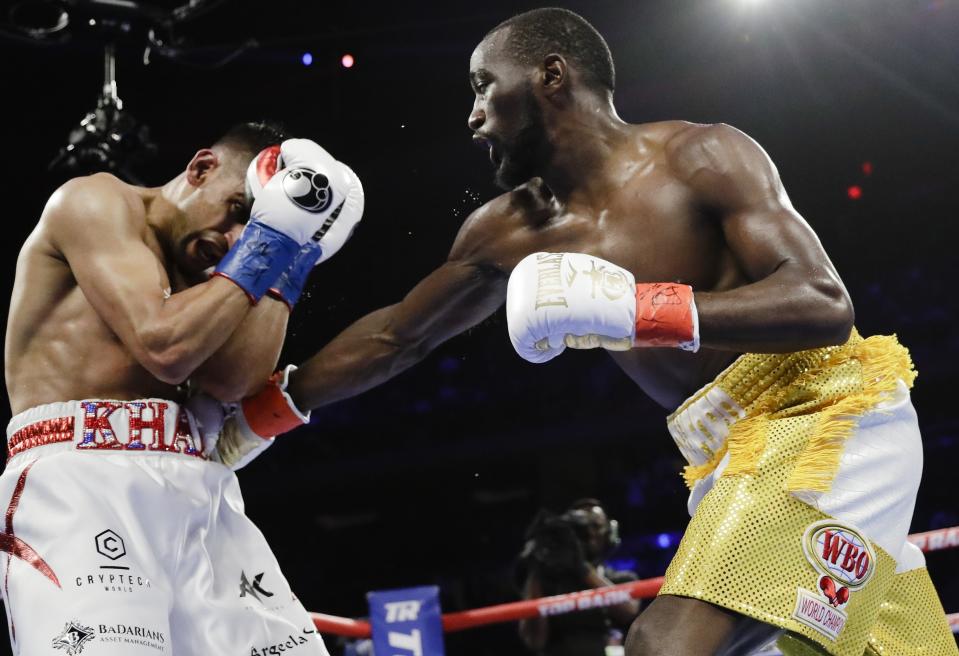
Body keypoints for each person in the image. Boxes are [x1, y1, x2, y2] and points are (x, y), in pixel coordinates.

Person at [224, 8, 957, 656]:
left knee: (665, 644)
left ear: (550, 74)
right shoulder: (506, 230)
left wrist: (632, 309)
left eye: (483, 85)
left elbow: (822, 302)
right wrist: (256, 417)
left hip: (827, 419)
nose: (472, 117)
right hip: (728, 455)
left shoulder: (699, 154)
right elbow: (397, 337)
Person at [0, 123, 363, 655]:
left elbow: (232, 380)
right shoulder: (97, 202)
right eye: (241, 210)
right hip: (81, 484)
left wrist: (290, 258)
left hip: (199, 489)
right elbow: (163, 346)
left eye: (257, 226)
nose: (238, 239)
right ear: (200, 169)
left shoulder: (222, 279)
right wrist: (268, 240)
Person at [518, 499, 639, 656]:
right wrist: (537, 561)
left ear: (609, 532)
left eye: (595, 526)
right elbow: (533, 640)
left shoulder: (622, 579)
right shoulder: (549, 584)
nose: (589, 533)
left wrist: (580, 566)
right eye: (580, 528)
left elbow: (627, 612)